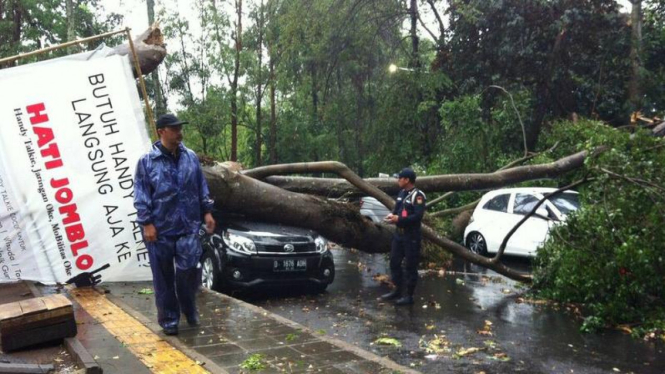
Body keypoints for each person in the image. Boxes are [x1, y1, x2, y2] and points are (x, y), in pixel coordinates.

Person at [134, 113, 216, 335]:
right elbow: (141, 194)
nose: (180, 132)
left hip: (188, 226)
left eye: (180, 128)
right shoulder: (147, 161)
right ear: (162, 131)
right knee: (163, 278)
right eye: (174, 128)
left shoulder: (190, 157)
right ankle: (169, 318)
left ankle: (189, 309)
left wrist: (207, 211)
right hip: (160, 230)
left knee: (188, 271)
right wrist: (147, 223)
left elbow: (201, 186)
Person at [381, 167, 426, 306]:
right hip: (398, 235)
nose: (398, 180)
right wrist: (391, 216)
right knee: (394, 262)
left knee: (410, 266)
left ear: (407, 180)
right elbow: (397, 210)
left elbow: (417, 217)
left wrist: (398, 219)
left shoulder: (418, 196)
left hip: (411, 236)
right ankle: (397, 290)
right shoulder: (401, 192)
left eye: (400, 178)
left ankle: (409, 296)